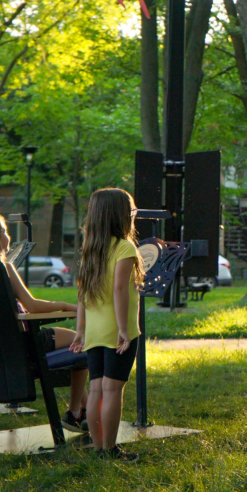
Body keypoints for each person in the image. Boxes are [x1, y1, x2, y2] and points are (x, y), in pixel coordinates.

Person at [0, 212, 88, 432]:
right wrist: (66, 306)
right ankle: (75, 412)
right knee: (82, 342)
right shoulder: (2, 268)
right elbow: (33, 306)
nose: (9, 237)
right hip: (20, 348)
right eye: (6, 232)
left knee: (72, 346)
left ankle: (83, 410)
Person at [70, 188, 144, 461]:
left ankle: (99, 446)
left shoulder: (91, 249)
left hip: (95, 331)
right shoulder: (124, 247)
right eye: (131, 211)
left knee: (98, 388)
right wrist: (124, 329)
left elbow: (83, 293)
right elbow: (119, 290)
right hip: (117, 332)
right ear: (122, 216)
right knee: (113, 389)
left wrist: (80, 329)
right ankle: (110, 449)